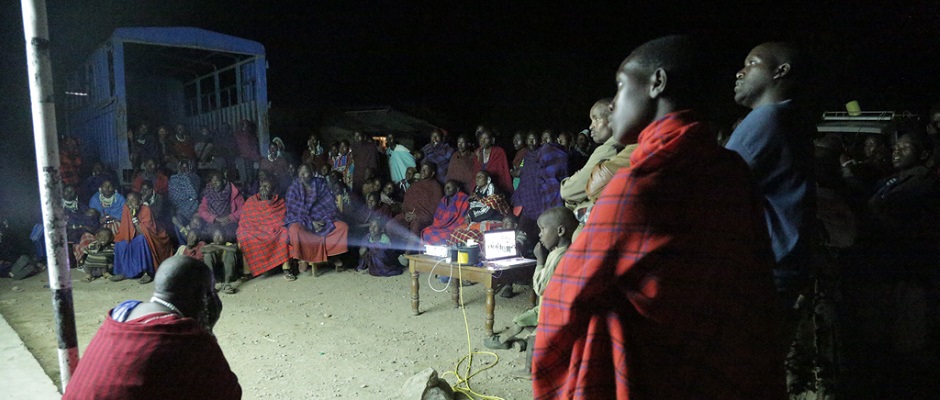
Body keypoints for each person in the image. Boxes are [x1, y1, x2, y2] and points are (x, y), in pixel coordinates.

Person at [532, 35, 785, 399]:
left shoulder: (639, 186)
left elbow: (566, 295)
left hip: (654, 373)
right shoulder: (732, 171)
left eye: (621, 86)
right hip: (718, 370)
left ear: (657, 83)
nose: (613, 104)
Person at [63, 256, 241, 400]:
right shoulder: (189, 337)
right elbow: (229, 393)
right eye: (212, 293)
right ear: (203, 297)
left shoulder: (123, 311)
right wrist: (207, 331)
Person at [725, 42, 816, 308]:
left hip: (763, 271)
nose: (740, 72)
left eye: (752, 63)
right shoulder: (789, 117)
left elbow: (716, 188)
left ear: (780, 71)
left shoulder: (766, 118)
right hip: (784, 267)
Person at [484, 207, 576, 352]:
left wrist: (540, 261)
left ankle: (503, 340)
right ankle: (524, 341)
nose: (540, 234)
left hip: (550, 311)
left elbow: (540, 288)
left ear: (560, 231)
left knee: (522, 320)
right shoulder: (568, 251)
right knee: (526, 318)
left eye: (543, 229)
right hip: (556, 307)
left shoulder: (557, 257)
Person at [559, 98, 624, 232]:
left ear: (613, 119)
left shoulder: (608, 149)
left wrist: (577, 201)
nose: (591, 126)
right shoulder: (629, 145)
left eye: (596, 119)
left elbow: (569, 191)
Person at [285, 164, 349, 277]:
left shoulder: (321, 184)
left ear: (312, 173)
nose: (302, 175)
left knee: (342, 227)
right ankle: (303, 258)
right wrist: (310, 223)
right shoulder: (293, 188)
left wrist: (323, 221)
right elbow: (294, 210)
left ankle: (333, 256)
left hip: (322, 219)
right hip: (303, 220)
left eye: (305, 172)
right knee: (294, 230)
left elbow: (329, 205)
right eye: (300, 173)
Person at [512, 131, 568, 254]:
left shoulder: (547, 155)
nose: (531, 142)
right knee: (525, 238)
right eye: (529, 139)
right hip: (529, 204)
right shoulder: (527, 157)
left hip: (544, 201)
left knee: (547, 238)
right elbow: (525, 180)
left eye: (534, 139)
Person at [111, 192, 174, 284]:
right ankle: (123, 272)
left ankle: (147, 272)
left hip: (150, 237)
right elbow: (125, 229)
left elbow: (145, 233)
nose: (130, 203)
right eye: (128, 200)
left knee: (142, 239)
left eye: (133, 200)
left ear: (140, 201)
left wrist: (135, 219)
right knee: (120, 242)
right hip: (133, 237)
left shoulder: (146, 209)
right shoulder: (126, 208)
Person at [237, 178, 290, 279]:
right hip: (254, 231)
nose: (263, 189)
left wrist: (269, 229)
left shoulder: (279, 202)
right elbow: (244, 221)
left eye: (267, 187)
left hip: (273, 231)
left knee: (284, 232)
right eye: (261, 186)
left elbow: (281, 220)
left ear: (273, 190)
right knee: (243, 236)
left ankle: (286, 269)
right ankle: (247, 273)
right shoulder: (251, 201)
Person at [386, 162, 443, 253]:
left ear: (432, 173)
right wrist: (406, 213)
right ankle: (395, 252)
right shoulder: (415, 185)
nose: (422, 171)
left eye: (425, 170)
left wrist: (417, 216)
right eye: (422, 169)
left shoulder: (435, 187)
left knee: (416, 226)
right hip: (408, 215)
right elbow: (406, 202)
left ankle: (406, 255)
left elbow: (435, 209)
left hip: (423, 217)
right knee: (390, 225)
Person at [449, 171, 514, 248]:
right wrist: (468, 216)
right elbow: (472, 207)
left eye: (481, 177)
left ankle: (477, 252)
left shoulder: (494, 192)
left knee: (471, 236)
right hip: (478, 220)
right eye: (476, 177)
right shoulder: (476, 192)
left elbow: (489, 211)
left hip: (492, 220)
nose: (477, 179)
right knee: (455, 233)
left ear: (488, 179)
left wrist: (472, 216)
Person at [198, 171, 245, 240]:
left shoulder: (234, 192)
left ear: (224, 181)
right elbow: (201, 210)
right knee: (211, 234)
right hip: (214, 222)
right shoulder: (208, 193)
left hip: (230, 222)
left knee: (230, 234)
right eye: (212, 181)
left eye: (217, 181)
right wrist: (215, 218)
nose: (214, 184)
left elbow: (243, 209)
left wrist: (230, 217)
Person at [421, 180, 469, 246]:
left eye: (449, 187)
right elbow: (437, 216)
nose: (446, 189)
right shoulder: (444, 200)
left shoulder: (463, 198)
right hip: (442, 225)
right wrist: (440, 224)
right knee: (426, 232)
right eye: (445, 187)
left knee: (433, 234)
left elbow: (463, 215)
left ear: (457, 189)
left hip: (454, 227)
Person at [168, 159, 202, 243]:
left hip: (194, 209)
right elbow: (174, 197)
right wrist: (189, 198)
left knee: (196, 222)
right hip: (180, 210)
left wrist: (186, 178)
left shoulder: (195, 178)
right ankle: (183, 244)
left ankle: (195, 243)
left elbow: (194, 194)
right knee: (177, 221)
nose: (183, 169)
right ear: (178, 167)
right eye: (182, 167)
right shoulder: (173, 179)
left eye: (186, 167)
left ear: (190, 168)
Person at [473, 128, 513, 194]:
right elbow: (476, 172)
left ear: (492, 140)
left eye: (486, 138)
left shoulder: (499, 152)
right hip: (481, 188)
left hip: (497, 187)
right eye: (481, 138)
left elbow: (505, 171)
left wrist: (508, 189)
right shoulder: (477, 153)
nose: (482, 141)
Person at [203, 227, 241, 295]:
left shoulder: (229, 244)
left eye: (220, 236)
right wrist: (218, 247)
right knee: (207, 255)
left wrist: (217, 246)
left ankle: (227, 284)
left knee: (230, 253)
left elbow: (234, 249)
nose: (217, 238)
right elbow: (203, 250)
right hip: (217, 276)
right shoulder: (210, 245)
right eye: (215, 236)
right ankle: (211, 286)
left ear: (225, 237)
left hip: (230, 275)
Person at [350, 131, 381, 195]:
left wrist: (367, 179)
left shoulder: (370, 147)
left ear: (364, 137)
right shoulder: (353, 146)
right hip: (356, 179)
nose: (357, 138)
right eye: (355, 136)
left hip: (367, 179)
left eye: (359, 136)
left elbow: (373, 165)